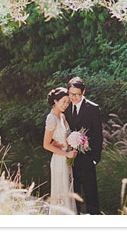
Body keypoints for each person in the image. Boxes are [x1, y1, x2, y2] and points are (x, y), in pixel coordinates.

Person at [63, 77, 103, 215]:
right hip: (69, 159)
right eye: (71, 94)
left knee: (91, 195)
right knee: (73, 195)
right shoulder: (65, 107)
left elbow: (98, 135)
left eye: (77, 94)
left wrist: (95, 159)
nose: (73, 97)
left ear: (83, 92)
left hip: (87, 159)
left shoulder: (93, 108)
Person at [43, 87, 78, 215]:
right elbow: (46, 144)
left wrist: (75, 142)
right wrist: (66, 153)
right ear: (56, 101)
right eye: (63, 101)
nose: (66, 105)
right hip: (59, 159)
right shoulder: (51, 118)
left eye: (68, 102)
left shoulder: (62, 116)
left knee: (67, 189)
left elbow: (66, 136)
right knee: (61, 190)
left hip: (67, 158)